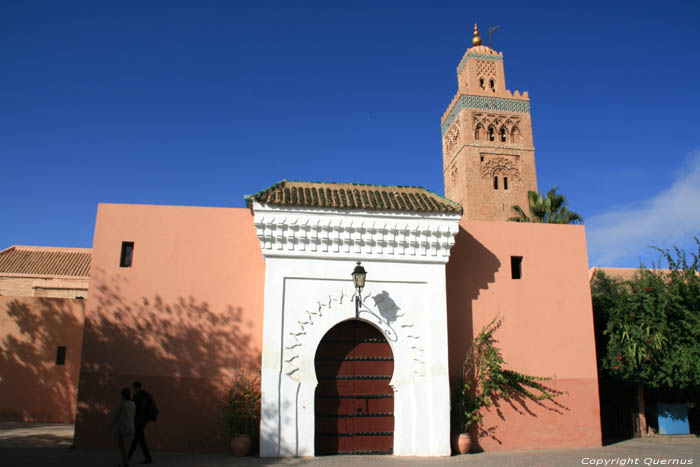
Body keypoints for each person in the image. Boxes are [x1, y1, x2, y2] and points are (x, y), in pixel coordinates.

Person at [128, 381, 154, 464]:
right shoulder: (145, 395)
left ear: (136, 387)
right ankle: (147, 458)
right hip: (143, 420)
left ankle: (127, 458)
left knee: (138, 438)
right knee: (139, 439)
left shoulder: (139, 396)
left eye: (135, 388)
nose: (134, 389)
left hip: (140, 420)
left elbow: (137, 409)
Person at [110, 387, 135, 467]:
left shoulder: (122, 404)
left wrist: (111, 424)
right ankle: (125, 461)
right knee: (126, 445)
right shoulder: (132, 403)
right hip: (131, 425)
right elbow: (134, 415)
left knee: (122, 446)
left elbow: (116, 416)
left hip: (122, 426)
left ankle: (124, 461)